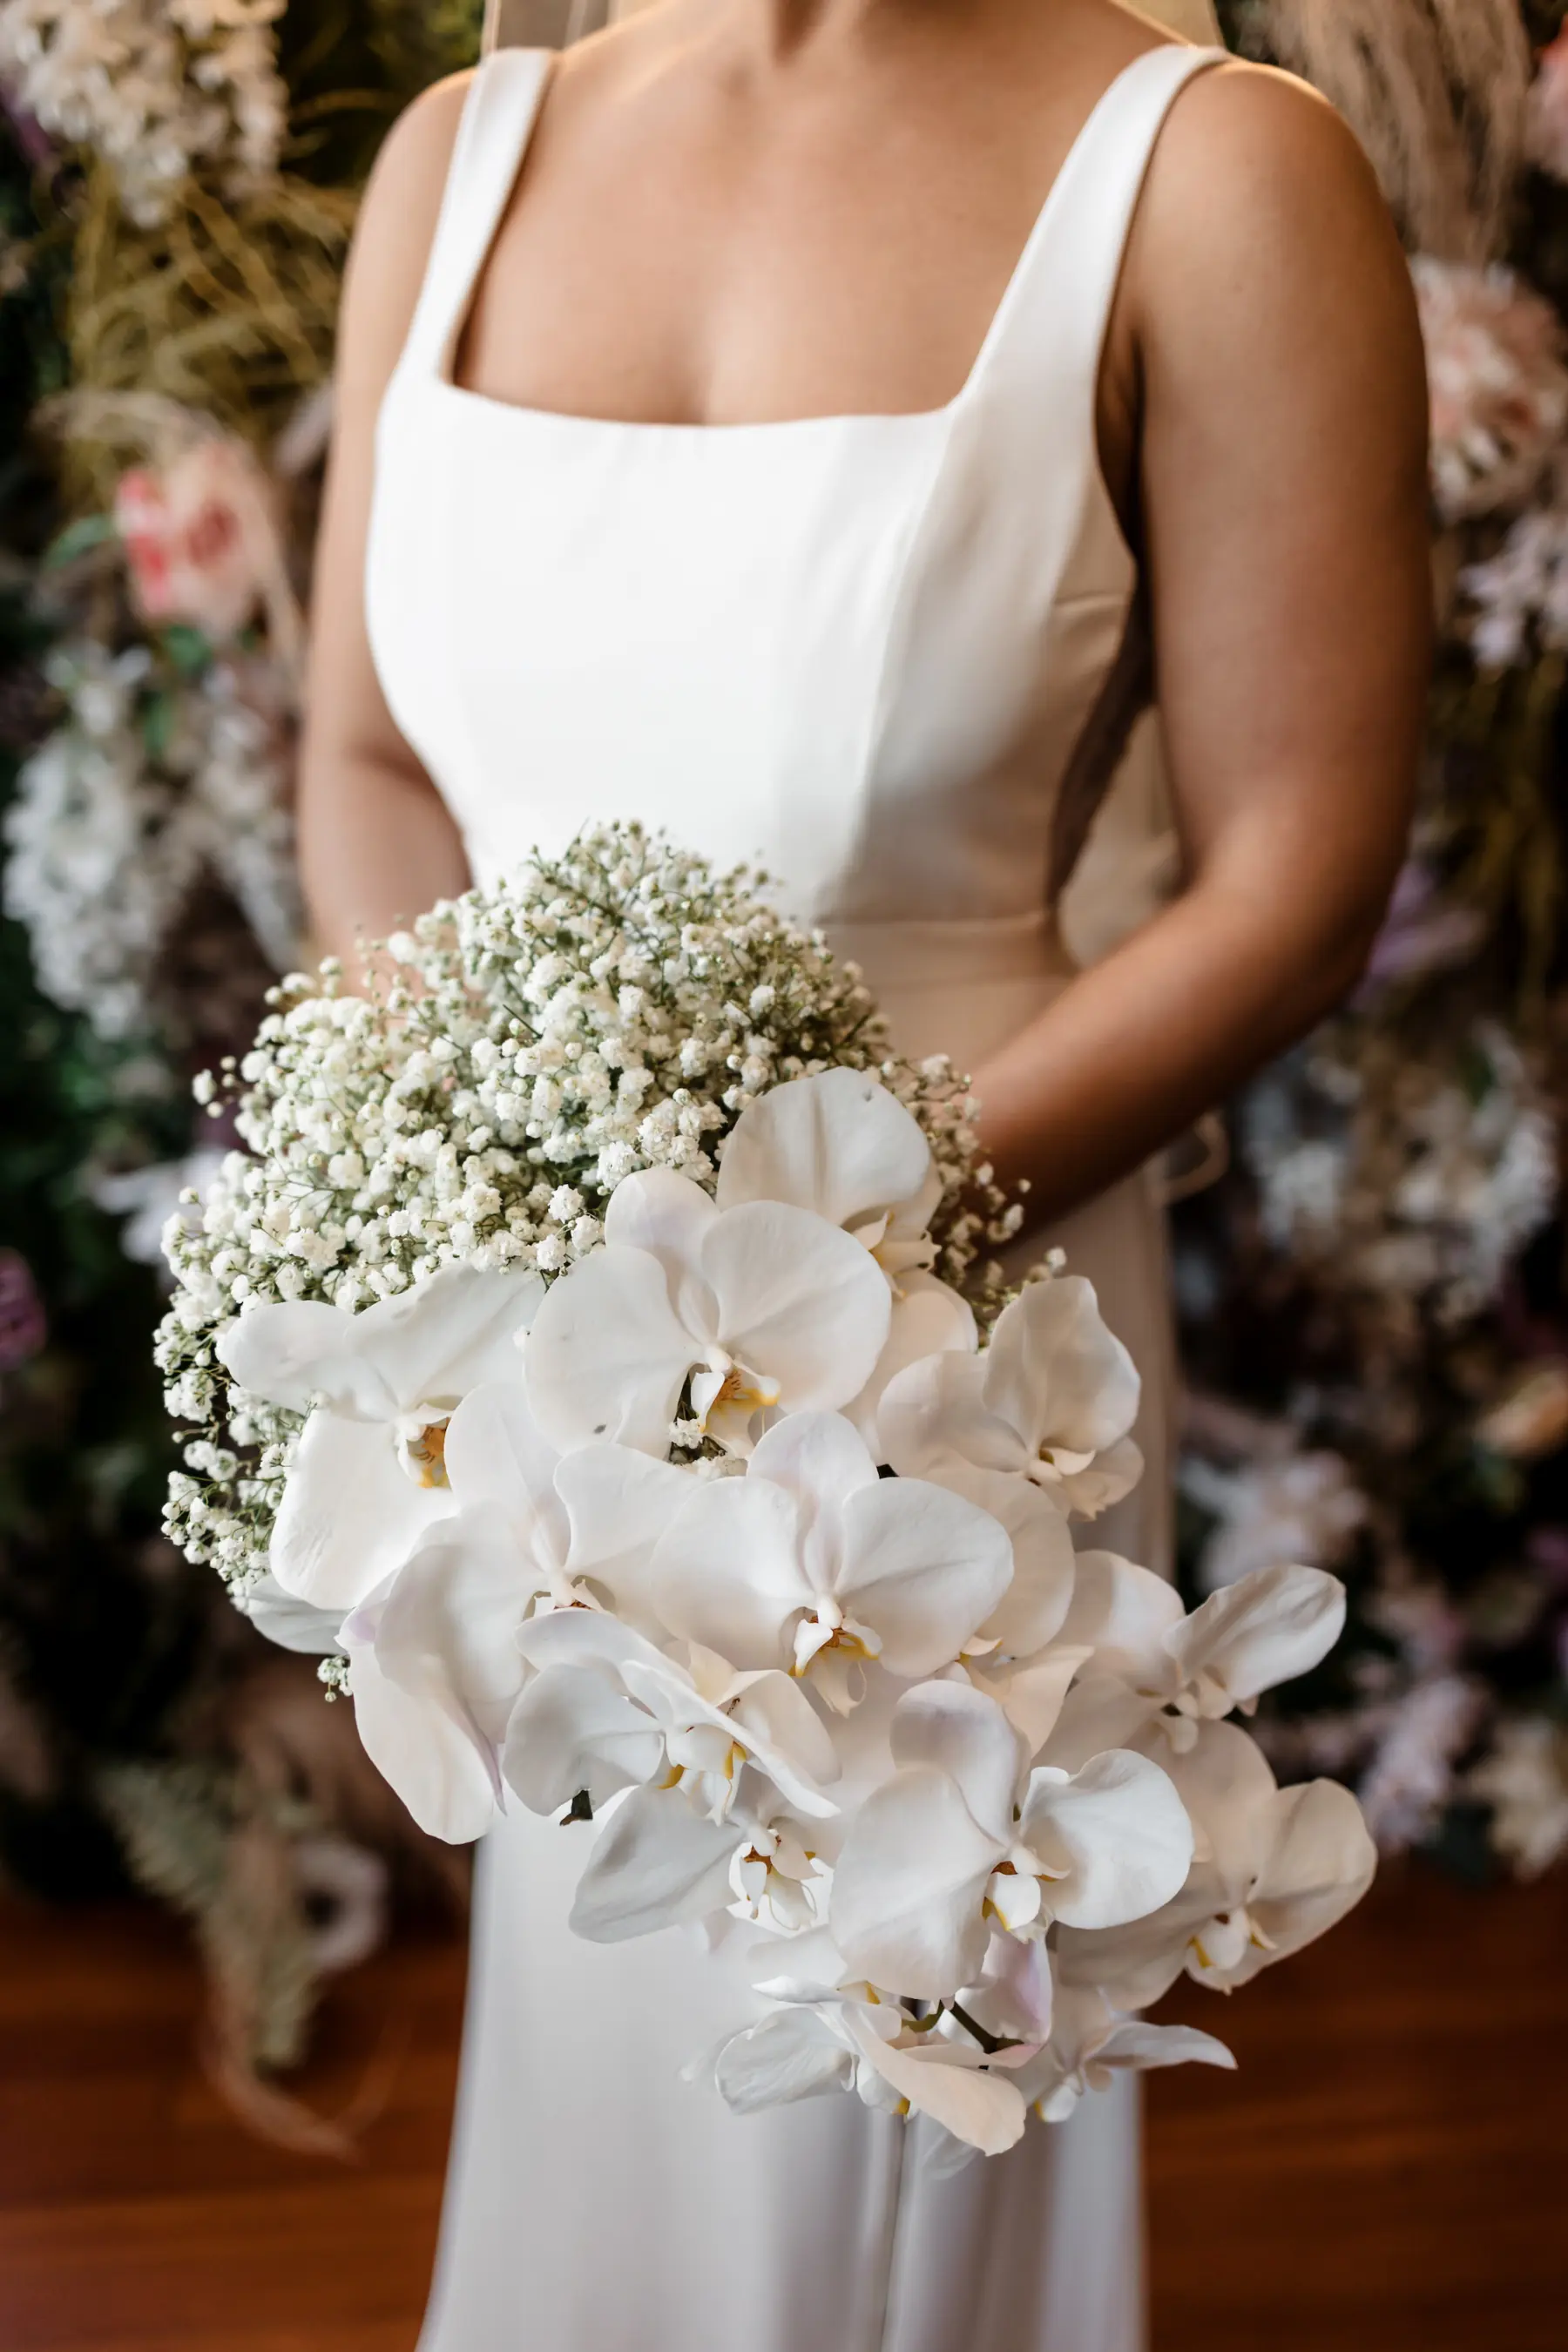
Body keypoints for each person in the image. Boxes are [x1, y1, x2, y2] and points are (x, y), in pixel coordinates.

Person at [296, 0, 1431, 2342]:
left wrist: (807, 1268)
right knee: (611, 2062)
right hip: (553, 1358)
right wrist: (516, 1236)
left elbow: (1298, 874)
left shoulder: (1213, 174)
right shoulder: (458, 157)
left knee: (877, 2115)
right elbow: (371, 751)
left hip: (961, 1328)